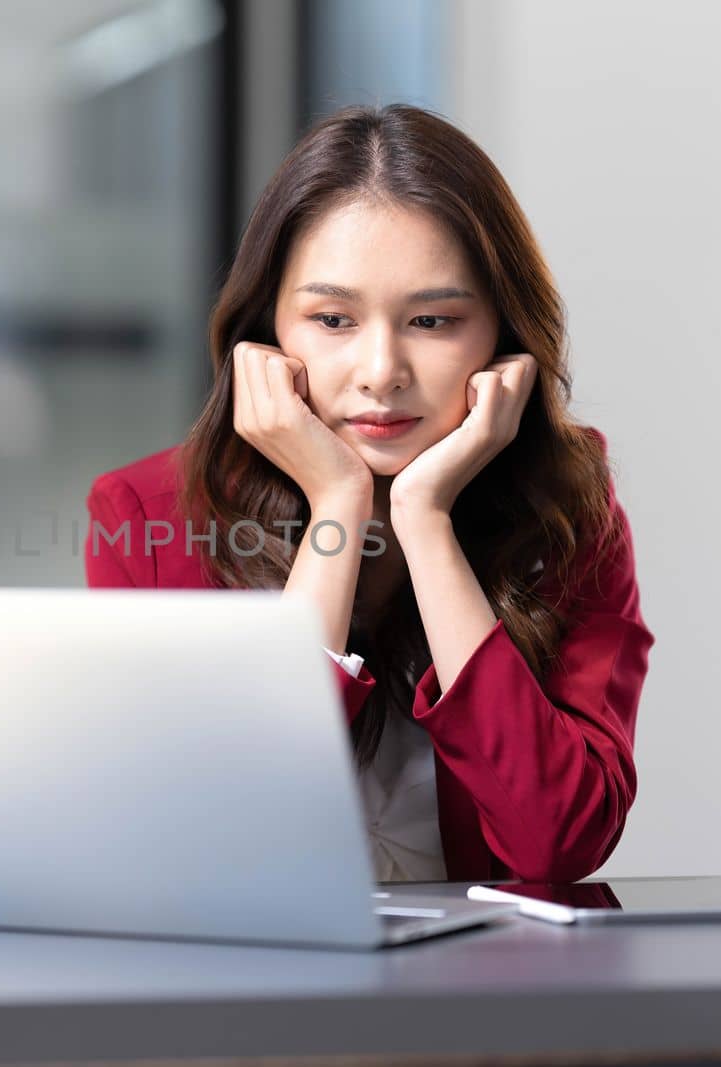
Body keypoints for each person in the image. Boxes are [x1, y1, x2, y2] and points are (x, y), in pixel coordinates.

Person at [83, 104, 655, 885]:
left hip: (486, 995)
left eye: (431, 319)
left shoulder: (566, 507)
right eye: (332, 318)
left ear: (501, 335)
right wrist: (336, 506)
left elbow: (558, 839)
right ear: (267, 332)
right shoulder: (145, 516)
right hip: (252, 993)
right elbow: (231, 839)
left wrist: (426, 522)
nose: (381, 369)